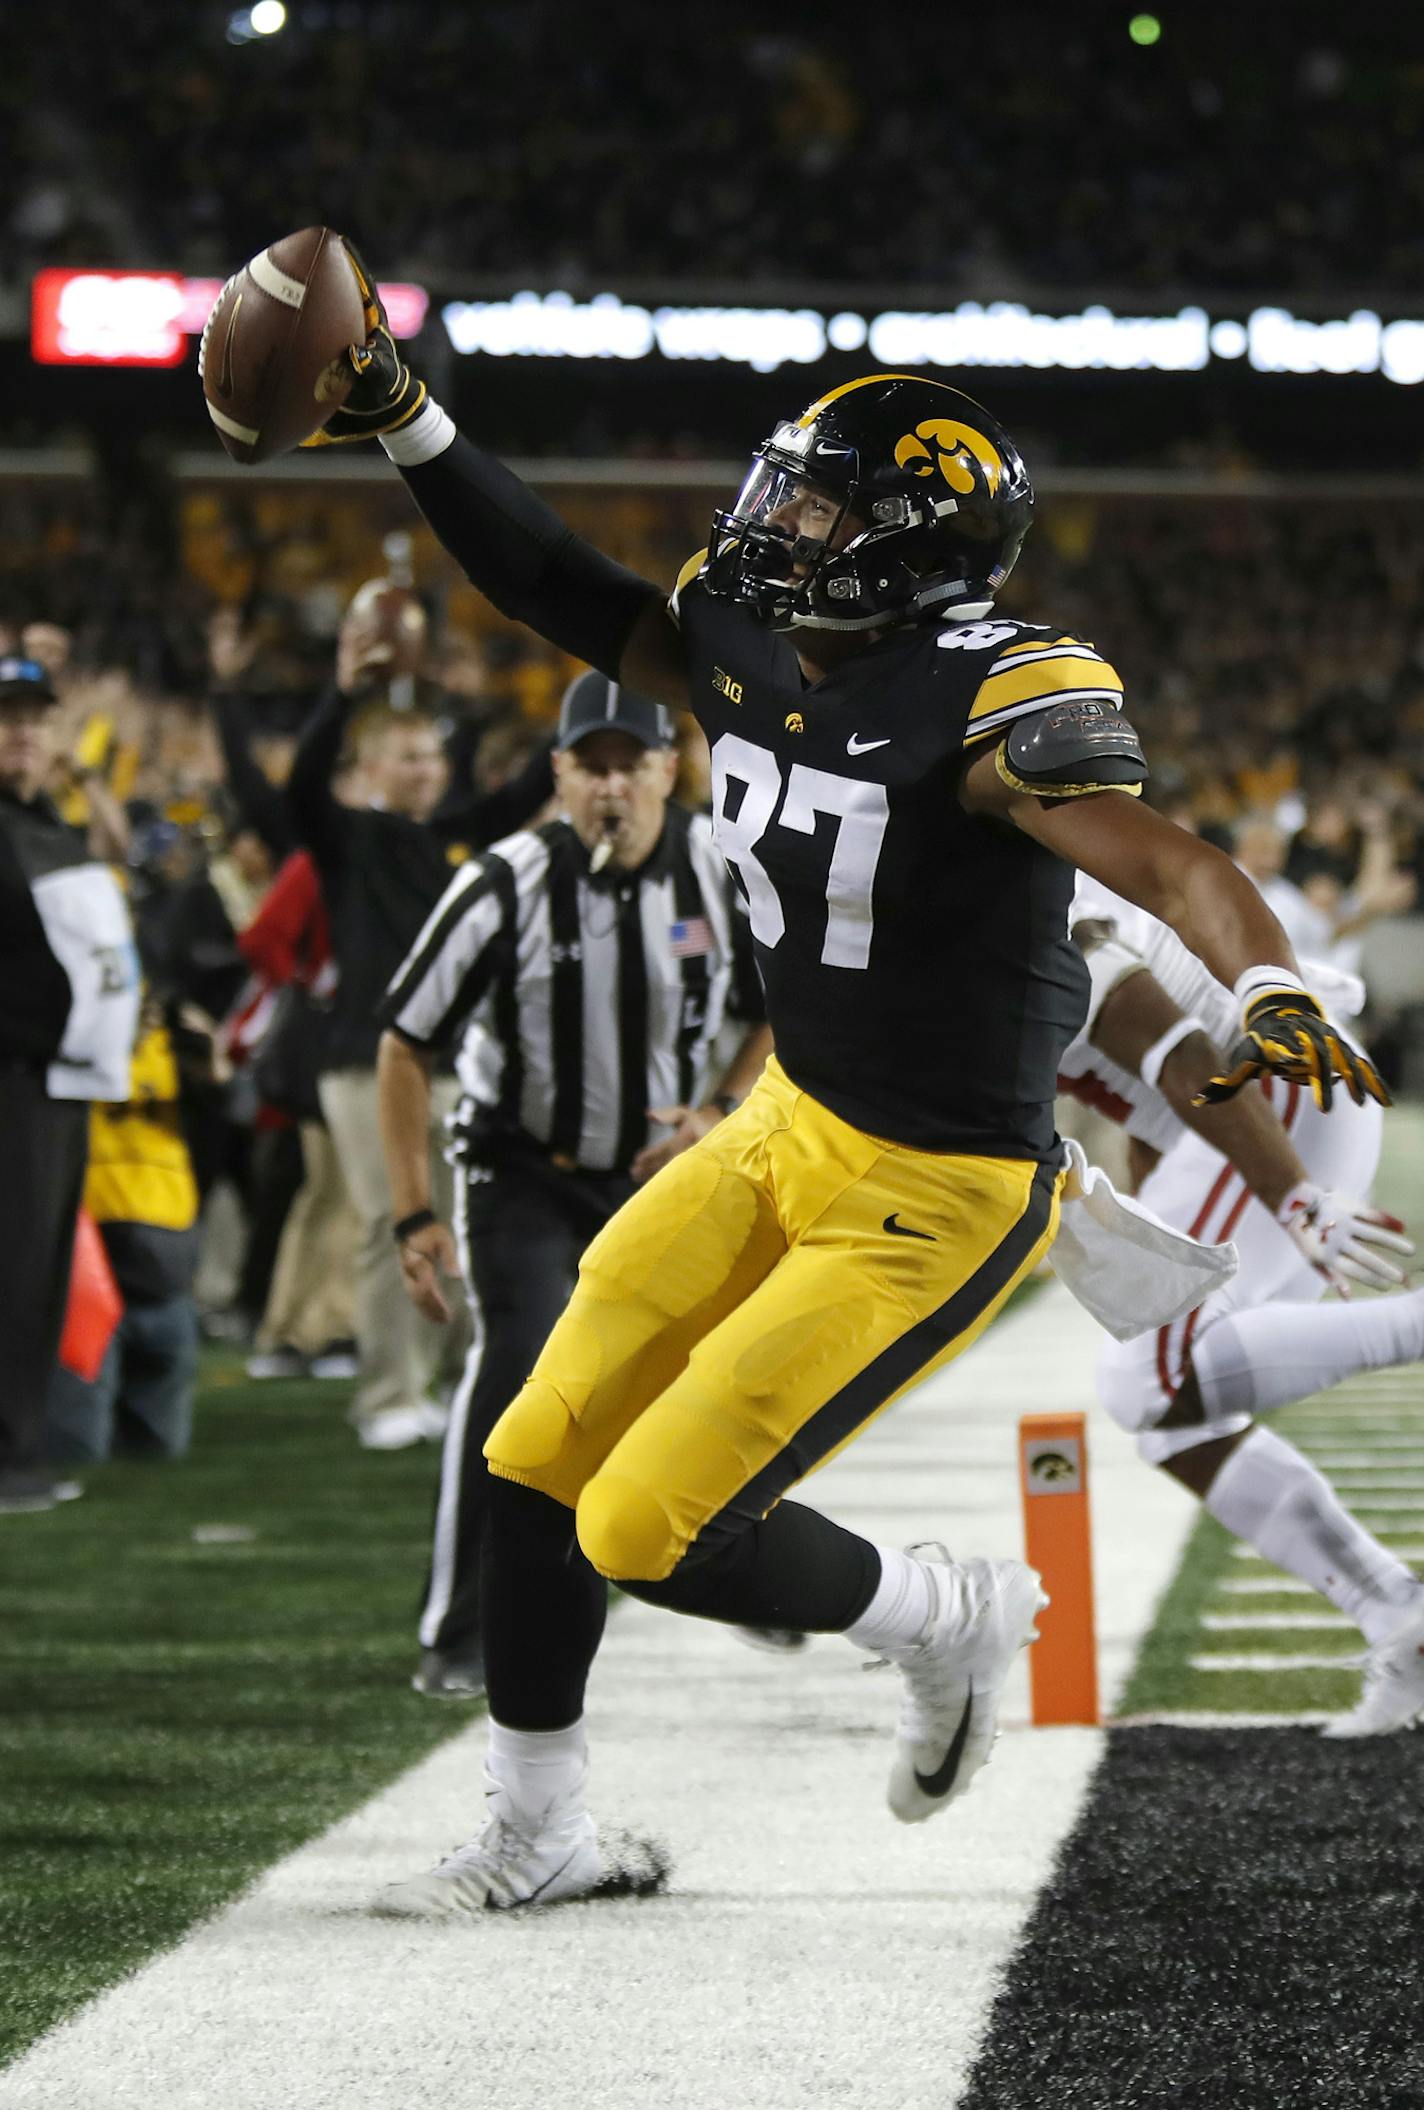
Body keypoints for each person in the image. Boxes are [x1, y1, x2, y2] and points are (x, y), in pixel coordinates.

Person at [310, 259, 1385, 1913]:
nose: (771, 528)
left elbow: (1164, 861)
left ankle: (937, 1611)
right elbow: (551, 583)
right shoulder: (746, 629)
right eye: (782, 495)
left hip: (934, 1187)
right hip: (781, 1125)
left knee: (649, 1525)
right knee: (534, 1452)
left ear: (909, 536)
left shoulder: (991, 687)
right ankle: (542, 1831)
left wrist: (1265, 980)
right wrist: (408, 420)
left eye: (815, 511)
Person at [379, 670, 771, 1698]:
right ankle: (460, 1626)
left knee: (729, 1367)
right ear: (556, 773)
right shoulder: (503, 880)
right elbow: (403, 1040)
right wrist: (414, 1209)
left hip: (661, 1174)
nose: (609, 787)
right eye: (587, 765)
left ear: (667, 768)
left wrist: (721, 1110)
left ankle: (745, 1572)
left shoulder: (721, 868)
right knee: (517, 1368)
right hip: (525, 1170)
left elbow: (782, 1011)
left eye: (627, 765)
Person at [1058, 877, 1424, 1734]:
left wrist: (1292, 1199)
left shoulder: (1006, 898)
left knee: (1145, 1382)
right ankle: (1398, 1616)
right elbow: (1143, 1092)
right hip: (1246, 1110)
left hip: (1260, 1095)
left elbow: (1180, 1050)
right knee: (1177, 1421)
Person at [288, 591, 555, 1448]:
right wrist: (342, 693)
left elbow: (529, 790)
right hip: (364, 1061)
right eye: (404, 755)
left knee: (456, 1226)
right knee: (388, 1220)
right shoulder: (351, 837)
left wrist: (553, 690)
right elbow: (296, 786)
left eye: (431, 754)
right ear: (366, 769)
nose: (424, 767)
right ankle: (387, 1396)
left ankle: (434, 1383)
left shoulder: (450, 840)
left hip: (450, 1062)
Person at [0, 655, 141, 1512]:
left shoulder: (49, 820)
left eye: (35, 718)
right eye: (7, 717)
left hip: (61, 1083)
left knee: (36, 1271)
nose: (21, 732)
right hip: (12, 1078)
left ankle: (16, 1446)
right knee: (11, 1270)